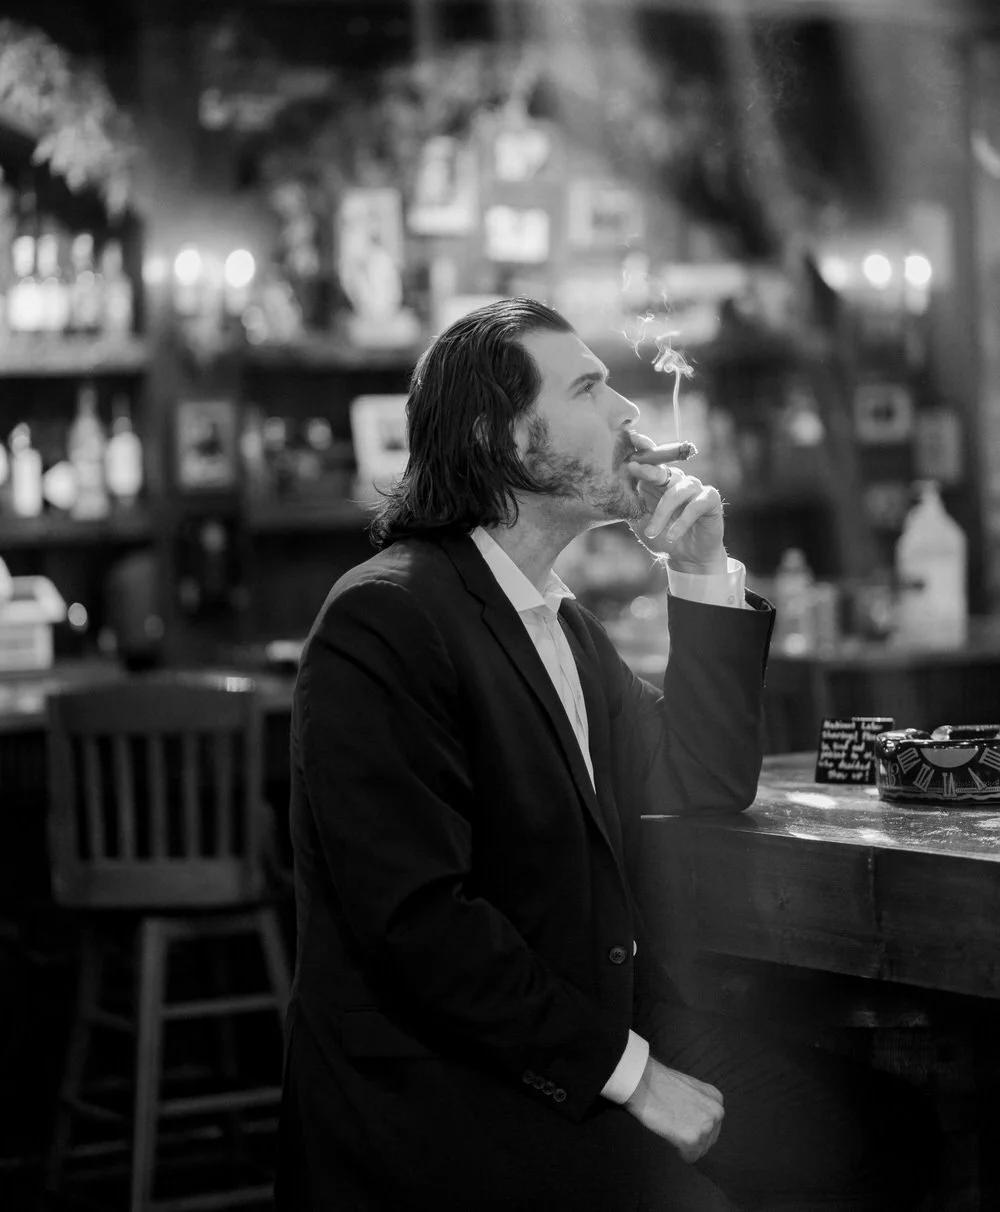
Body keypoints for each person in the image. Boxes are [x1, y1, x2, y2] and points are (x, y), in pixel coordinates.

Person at [275, 297, 938, 1211]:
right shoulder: (385, 616)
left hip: (584, 1029)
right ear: (497, 436)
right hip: (449, 1086)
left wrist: (701, 568)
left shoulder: (556, 621)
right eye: (589, 387)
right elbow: (418, 930)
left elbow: (701, 776)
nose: (629, 411)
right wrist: (632, 1077)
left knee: (895, 1125)